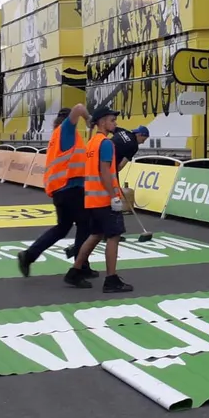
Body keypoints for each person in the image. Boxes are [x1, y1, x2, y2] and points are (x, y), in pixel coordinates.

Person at [17, 105, 98, 278]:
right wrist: (88, 118)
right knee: (85, 224)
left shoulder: (58, 136)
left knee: (63, 227)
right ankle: (80, 266)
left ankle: (29, 255)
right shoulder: (66, 130)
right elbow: (79, 108)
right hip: (71, 188)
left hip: (60, 189)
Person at [65, 107, 133, 292]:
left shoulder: (92, 143)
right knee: (114, 236)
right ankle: (111, 279)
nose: (115, 123)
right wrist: (113, 197)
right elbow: (105, 172)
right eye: (112, 120)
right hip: (105, 200)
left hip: (92, 199)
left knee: (96, 234)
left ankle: (75, 270)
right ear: (102, 122)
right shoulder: (106, 144)